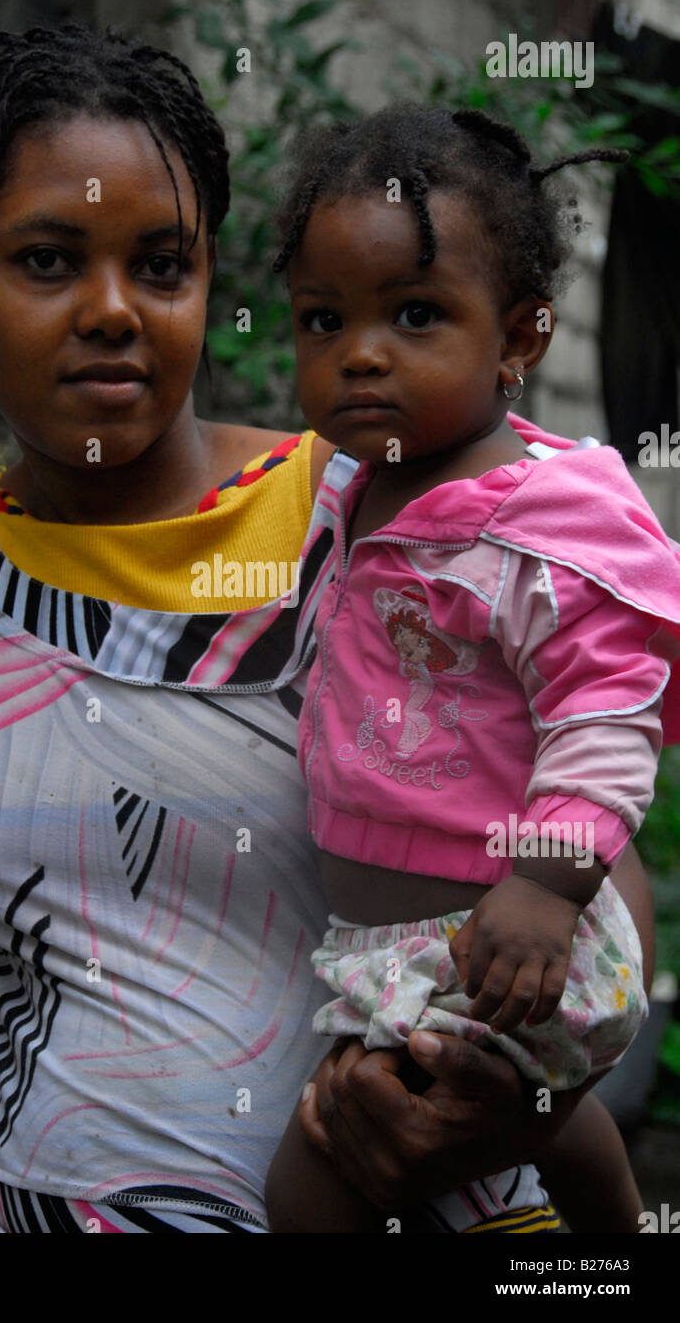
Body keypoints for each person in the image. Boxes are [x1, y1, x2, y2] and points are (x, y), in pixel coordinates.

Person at [0, 29, 655, 1235]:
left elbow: (598, 852)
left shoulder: (376, 513)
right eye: (48, 261)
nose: (113, 312)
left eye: (162, 265)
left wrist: (497, 1093)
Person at [264, 104, 680, 1232]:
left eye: (415, 314)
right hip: (396, 943)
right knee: (529, 1125)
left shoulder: (548, 518)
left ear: (521, 337)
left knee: (311, 1185)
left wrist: (547, 884)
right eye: (322, 318)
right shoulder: (351, 488)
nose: (360, 350)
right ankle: (612, 1218)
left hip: (499, 939)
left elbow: (607, 713)